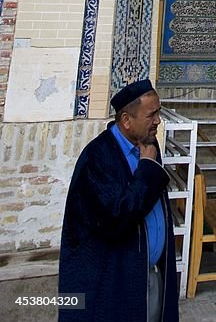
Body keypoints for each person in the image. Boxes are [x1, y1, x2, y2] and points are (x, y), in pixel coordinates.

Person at [59, 79, 178, 322]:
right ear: (126, 120)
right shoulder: (98, 159)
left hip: (150, 275)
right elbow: (119, 217)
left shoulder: (148, 145)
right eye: (151, 115)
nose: (158, 121)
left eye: (159, 112)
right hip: (114, 281)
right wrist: (146, 168)